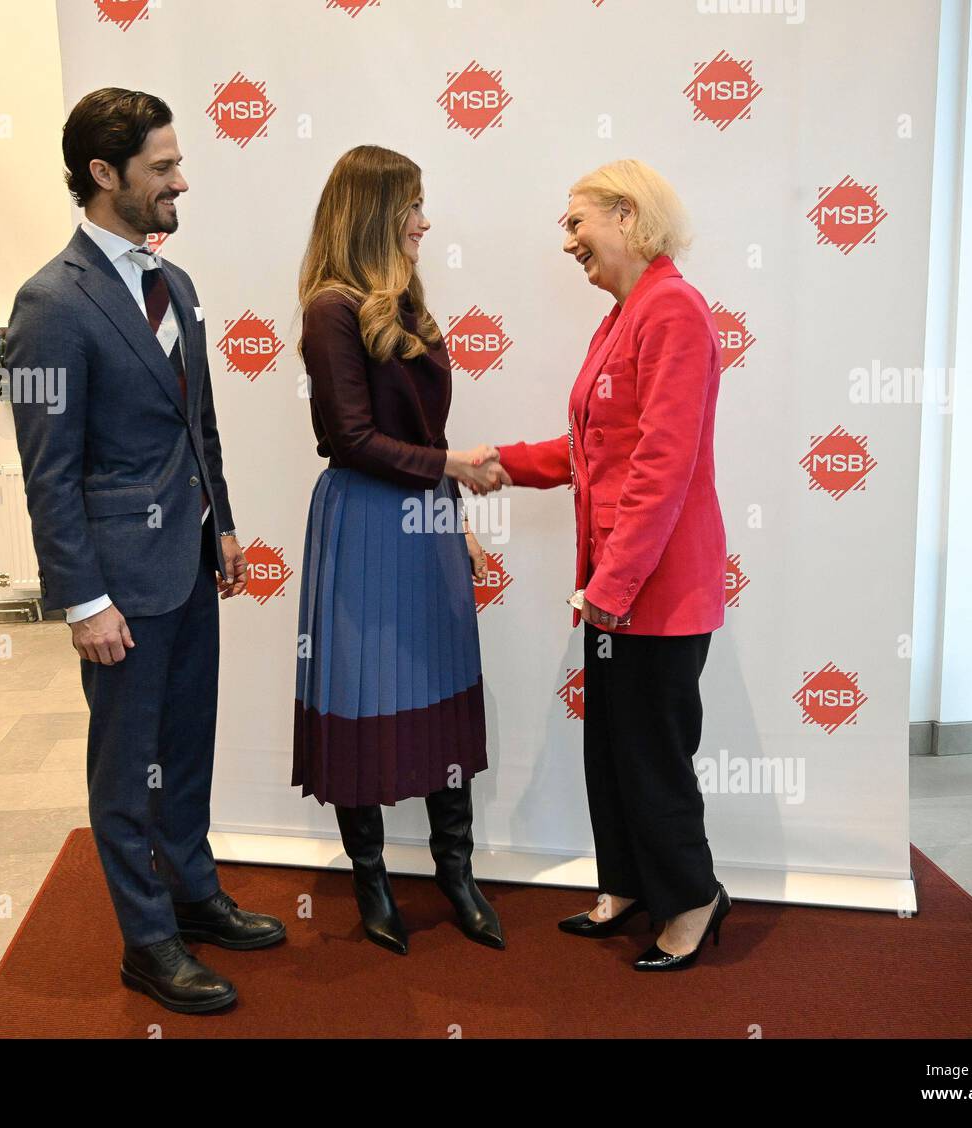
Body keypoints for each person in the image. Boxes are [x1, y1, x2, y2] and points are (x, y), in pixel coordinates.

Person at [7, 87, 284, 1014]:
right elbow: (49, 470)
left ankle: (194, 895)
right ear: (103, 174)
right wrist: (83, 603)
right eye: (162, 168)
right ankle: (147, 942)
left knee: (186, 750)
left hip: (191, 562)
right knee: (127, 771)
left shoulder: (179, 284)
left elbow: (195, 423)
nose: (180, 182)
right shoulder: (50, 303)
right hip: (121, 587)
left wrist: (227, 524)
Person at [487, 159, 730, 971]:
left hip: (652, 591)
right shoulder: (624, 315)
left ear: (627, 216)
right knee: (612, 749)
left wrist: (612, 588)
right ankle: (627, 882)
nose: (567, 241)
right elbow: (592, 450)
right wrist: (496, 460)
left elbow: (662, 466)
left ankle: (693, 899)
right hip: (614, 590)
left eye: (576, 222)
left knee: (651, 753)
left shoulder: (674, 311)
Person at [292, 144, 508, 956]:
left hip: (424, 519)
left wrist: (453, 517)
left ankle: (457, 875)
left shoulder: (406, 305)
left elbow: (424, 432)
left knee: (443, 691)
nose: (426, 220)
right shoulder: (331, 309)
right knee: (365, 694)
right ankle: (373, 884)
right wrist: (452, 470)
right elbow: (350, 438)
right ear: (375, 212)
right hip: (364, 523)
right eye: (413, 205)